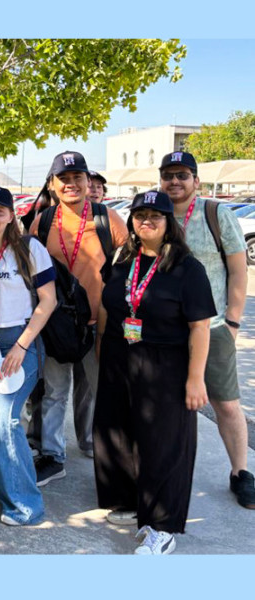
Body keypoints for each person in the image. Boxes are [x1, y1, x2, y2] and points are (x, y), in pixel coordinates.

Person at [94, 190, 215, 553]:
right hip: (119, 357)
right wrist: (103, 346)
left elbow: (200, 327)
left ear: (169, 224)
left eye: (155, 216)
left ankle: (161, 527)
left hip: (165, 364)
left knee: (163, 445)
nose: (146, 221)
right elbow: (107, 305)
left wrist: (195, 379)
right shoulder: (122, 258)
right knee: (118, 434)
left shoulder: (186, 268)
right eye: (140, 214)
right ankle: (132, 503)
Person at [160, 151, 255, 509]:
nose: (175, 181)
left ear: (195, 181)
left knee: (226, 405)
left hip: (213, 327)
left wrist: (232, 321)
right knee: (170, 405)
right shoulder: (156, 216)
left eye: (182, 175)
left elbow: (238, 271)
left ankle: (241, 473)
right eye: (168, 175)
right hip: (168, 332)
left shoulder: (217, 214)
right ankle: (168, 469)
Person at [28, 151, 127, 485]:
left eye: (77, 178)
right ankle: (53, 456)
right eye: (63, 179)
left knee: (101, 392)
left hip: (98, 324)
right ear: (53, 185)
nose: (71, 184)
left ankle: (108, 455)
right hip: (57, 326)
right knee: (54, 392)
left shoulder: (107, 219)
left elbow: (130, 268)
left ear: (88, 182)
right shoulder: (42, 222)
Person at [0, 186, 57, 525]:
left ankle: (24, 504)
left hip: (19, 338)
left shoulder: (29, 249)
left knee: (6, 417)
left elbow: (48, 301)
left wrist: (21, 346)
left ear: (11, 215)